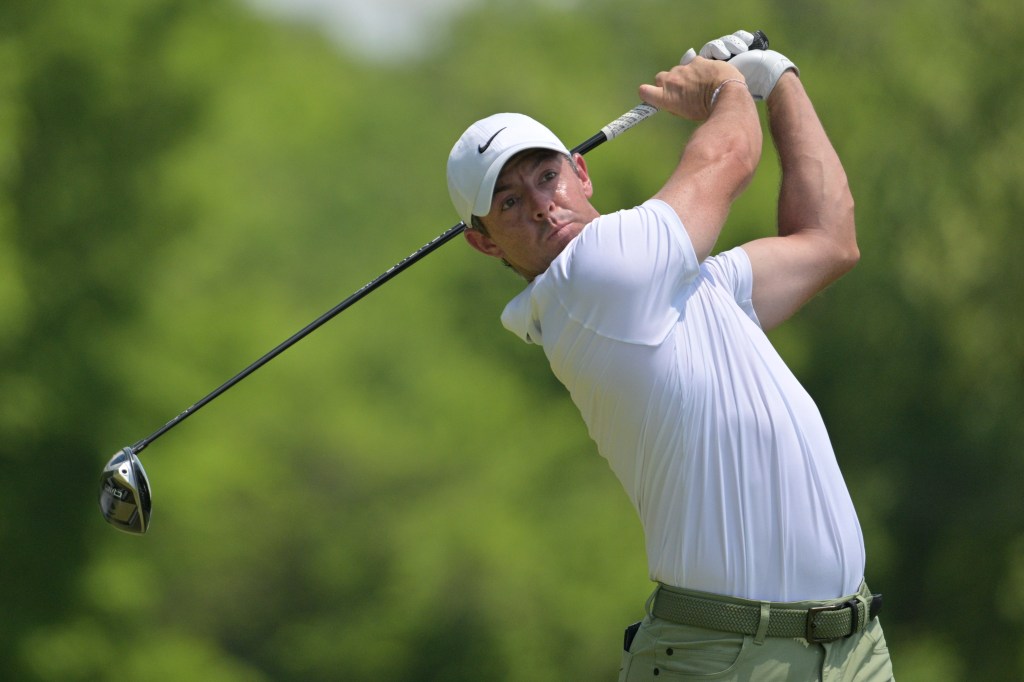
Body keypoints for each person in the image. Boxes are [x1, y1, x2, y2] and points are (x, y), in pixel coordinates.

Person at [446, 30, 894, 681]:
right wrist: (725, 87)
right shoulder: (594, 277)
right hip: (725, 660)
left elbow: (829, 240)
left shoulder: (689, 288)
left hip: (851, 648)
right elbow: (730, 155)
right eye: (510, 203)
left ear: (581, 171)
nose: (544, 207)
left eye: (548, 176)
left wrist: (777, 81)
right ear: (486, 245)